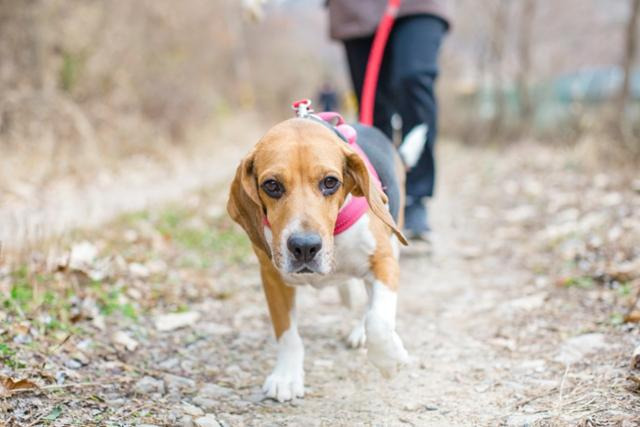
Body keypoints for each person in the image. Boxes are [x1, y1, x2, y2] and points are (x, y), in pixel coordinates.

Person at [327, 0, 450, 241]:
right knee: (372, 103)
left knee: (414, 79)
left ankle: (415, 196)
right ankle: (378, 194)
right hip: (356, 10)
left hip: (417, 6)